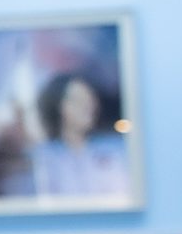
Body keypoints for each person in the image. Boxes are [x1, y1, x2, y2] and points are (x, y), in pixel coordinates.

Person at [28, 71, 131, 200]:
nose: (87, 107)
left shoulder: (115, 150)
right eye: (78, 100)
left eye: (89, 100)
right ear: (58, 106)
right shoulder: (42, 158)